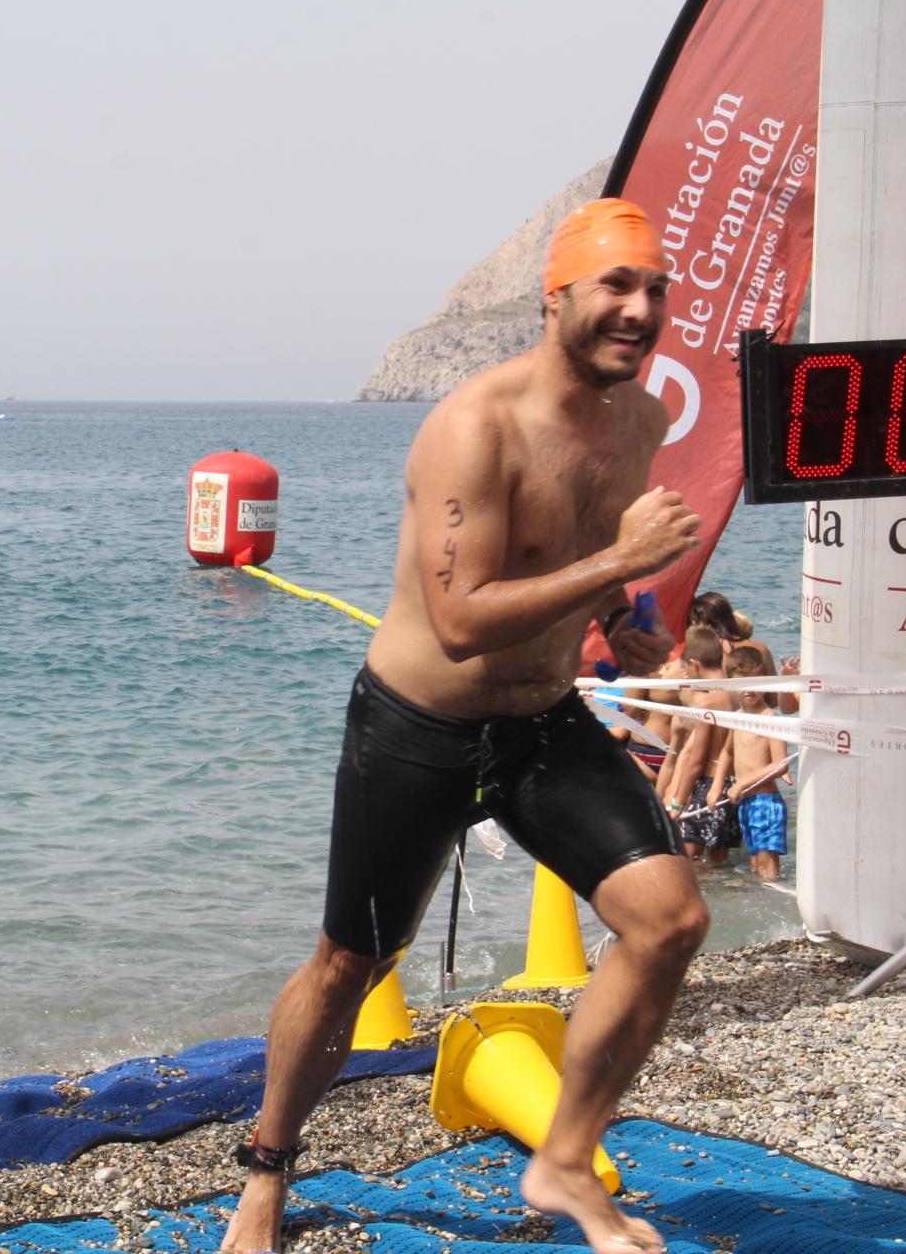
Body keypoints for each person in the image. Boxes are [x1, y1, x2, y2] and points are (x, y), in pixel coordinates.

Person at [218, 199, 706, 1254]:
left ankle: (564, 1159)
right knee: (349, 965)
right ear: (556, 298)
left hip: (542, 722)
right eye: (617, 284)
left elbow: (583, 554)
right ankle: (266, 1170)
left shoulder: (643, 422)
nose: (640, 308)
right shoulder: (474, 427)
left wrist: (628, 619)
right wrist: (622, 562)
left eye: (656, 289)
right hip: (419, 725)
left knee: (669, 920)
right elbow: (460, 618)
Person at [707, 646, 792, 881]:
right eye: (742, 683)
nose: (749, 690)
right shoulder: (737, 717)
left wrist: (741, 784)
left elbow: (781, 764)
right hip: (746, 803)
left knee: (768, 869)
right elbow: (727, 752)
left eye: (755, 682)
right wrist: (716, 786)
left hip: (765, 802)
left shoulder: (769, 718)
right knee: (755, 868)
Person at [654, 627, 735, 863]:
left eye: (686, 669)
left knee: (686, 859)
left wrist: (678, 802)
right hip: (731, 785)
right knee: (718, 861)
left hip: (708, 785)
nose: (686, 675)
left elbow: (696, 760)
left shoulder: (707, 702)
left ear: (695, 664)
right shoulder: (737, 693)